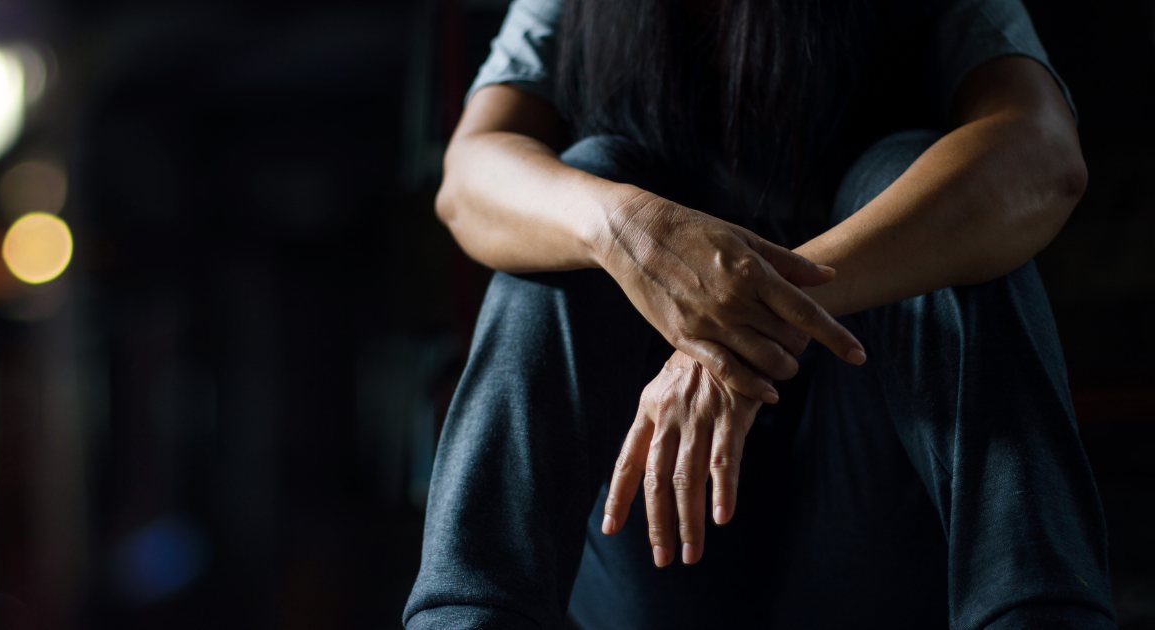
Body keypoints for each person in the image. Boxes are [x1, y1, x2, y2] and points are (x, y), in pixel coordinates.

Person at [405, 0, 1116, 627]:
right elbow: (468, 181)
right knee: (584, 186)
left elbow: (1043, 151)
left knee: (922, 179)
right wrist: (625, 230)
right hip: (657, 532)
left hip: (877, 528)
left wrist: (741, 322)